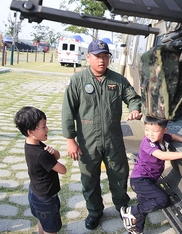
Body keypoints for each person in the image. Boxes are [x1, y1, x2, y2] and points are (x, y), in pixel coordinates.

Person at [61, 39, 142, 230]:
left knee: (119, 174)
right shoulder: (77, 81)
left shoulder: (118, 80)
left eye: (105, 56)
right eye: (98, 56)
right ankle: (95, 211)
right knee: (89, 177)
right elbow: (67, 111)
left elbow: (133, 98)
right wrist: (70, 140)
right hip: (88, 140)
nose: (102, 60)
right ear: (88, 57)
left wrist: (135, 108)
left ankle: (122, 207)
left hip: (113, 138)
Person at [120, 116, 182, 234]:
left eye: (155, 131)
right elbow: (162, 155)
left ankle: (136, 230)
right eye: (147, 130)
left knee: (144, 206)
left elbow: (173, 136)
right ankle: (132, 211)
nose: (150, 134)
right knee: (162, 199)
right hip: (140, 180)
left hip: (147, 180)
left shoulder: (163, 138)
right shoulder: (147, 143)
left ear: (164, 131)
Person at [14, 106, 67, 234]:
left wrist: (53, 152)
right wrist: (50, 156)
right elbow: (63, 170)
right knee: (51, 229)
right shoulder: (41, 154)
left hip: (35, 193)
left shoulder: (31, 145)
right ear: (30, 131)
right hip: (46, 199)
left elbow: (57, 156)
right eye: (43, 127)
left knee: (42, 221)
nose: (47, 129)